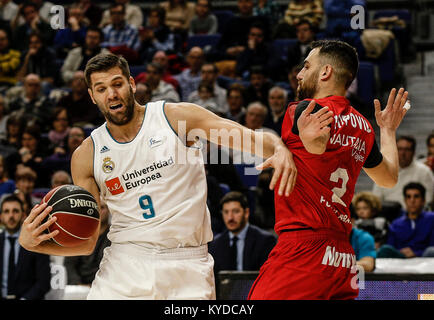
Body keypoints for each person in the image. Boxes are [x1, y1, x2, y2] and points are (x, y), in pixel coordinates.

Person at [18, 52, 297, 300]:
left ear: (131, 84)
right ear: (92, 96)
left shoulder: (176, 118)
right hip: (123, 265)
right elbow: (88, 241)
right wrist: (36, 244)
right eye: (101, 89)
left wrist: (279, 147)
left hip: (186, 263)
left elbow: (246, 138)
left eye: (117, 84)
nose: (111, 94)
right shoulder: (86, 155)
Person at [248, 39, 410, 300]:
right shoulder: (364, 127)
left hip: (304, 248)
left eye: (306, 66)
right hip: (343, 257)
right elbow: (389, 179)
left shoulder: (304, 110)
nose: (300, 74)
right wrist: (388, 130)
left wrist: (311, 141)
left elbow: (317, 148)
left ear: (325, 72)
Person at [0, 195, 50, 299]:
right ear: (1, 217)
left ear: (23, 215)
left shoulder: (36, 241)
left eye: (15, 211)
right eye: (6, 211)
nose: (11, 215)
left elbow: (43, 282)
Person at [208, 191, 276, 274]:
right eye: (226, 212)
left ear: (246, 213)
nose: (230, 218)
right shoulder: (215, 244)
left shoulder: (265, 241)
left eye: (236, 211)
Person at [373, 135, 434, 208]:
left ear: (413, 152)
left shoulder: (424, 171)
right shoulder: (385, 171)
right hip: (388, 214)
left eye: (407, 149)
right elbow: (376, 199)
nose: (403, 153)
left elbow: (428, 199)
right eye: (400, 149)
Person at [377, 182, 434, 258]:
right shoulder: (396, 224)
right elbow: (391, 248)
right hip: (401, 258)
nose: (412, 200)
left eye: (416, 196)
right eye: (408, 197)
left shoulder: (431, 218)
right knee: (384, 250)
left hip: (425, 257)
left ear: (423, 200)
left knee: (431, 251)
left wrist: (416, 253)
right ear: (405, 200)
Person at [64, 198, 111, 286]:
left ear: (109, 210)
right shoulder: (79, 235)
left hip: (106, 286)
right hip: (79, 286)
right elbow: (69, 263)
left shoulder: (114, 236)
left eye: (102, 207)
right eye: (96, 208)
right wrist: (77, 283)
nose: (99, 211)